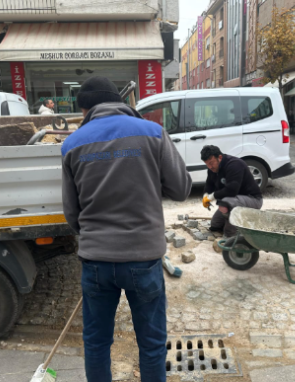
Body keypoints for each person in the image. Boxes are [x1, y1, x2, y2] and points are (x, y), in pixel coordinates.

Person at [61, 76, 192, 382]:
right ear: (121, 103)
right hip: (143, 259)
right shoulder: (153, 133)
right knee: (151, 343)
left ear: (85, 109)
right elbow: (182, 188)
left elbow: (71, 213)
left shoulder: (72, 144)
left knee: (96, 343)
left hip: (96, 262)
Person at [201, 145, 263, 239]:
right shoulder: (212, 169)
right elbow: (209, 184)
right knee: (215, 225)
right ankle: (235, 222)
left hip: (252, 199)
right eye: (207, 164)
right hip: (234, 200)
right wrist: (205, 196)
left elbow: (232, 190)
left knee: (225, 203)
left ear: (220, 157)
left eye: (211, 163)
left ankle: (230, 235)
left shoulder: (235, 164)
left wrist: (211, 197)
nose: (210, 167)